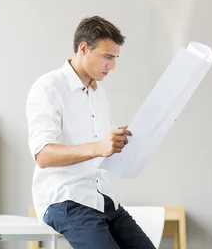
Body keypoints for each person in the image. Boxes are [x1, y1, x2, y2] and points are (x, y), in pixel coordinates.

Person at [26, 16, 155, 249]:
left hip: (102, 197)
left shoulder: (98, 94)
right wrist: (98, 147)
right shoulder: (49, 88)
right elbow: (43, 155)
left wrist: (123, 139)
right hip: (66, 200)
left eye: (115, 58)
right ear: (84, 49)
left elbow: (105, 146)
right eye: (107, 57)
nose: (112, 66)